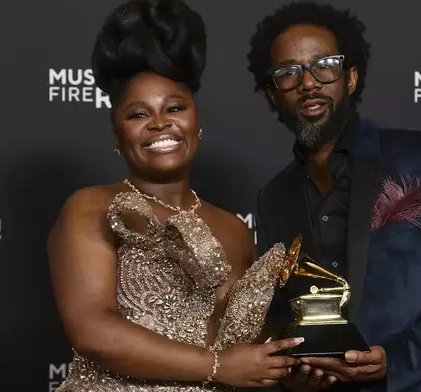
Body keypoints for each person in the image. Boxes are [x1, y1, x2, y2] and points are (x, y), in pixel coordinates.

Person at [247, 2, 421, 391]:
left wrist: (395, 361)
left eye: (325, 65)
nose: (309, 83)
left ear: (350, 78)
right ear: (272, 95)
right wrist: (297, 374)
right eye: (288, 73)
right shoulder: (273, 199)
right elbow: (288, 317)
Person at [47, 1, 303, 391]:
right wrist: (216, 366)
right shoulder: (92, 207)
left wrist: (297, 370)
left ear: (195, 122)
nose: (160, 123)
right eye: (138, 114)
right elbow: (91, 328)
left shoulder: (234, 228)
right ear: (118, 136)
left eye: (175, 107)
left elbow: (248, 351)